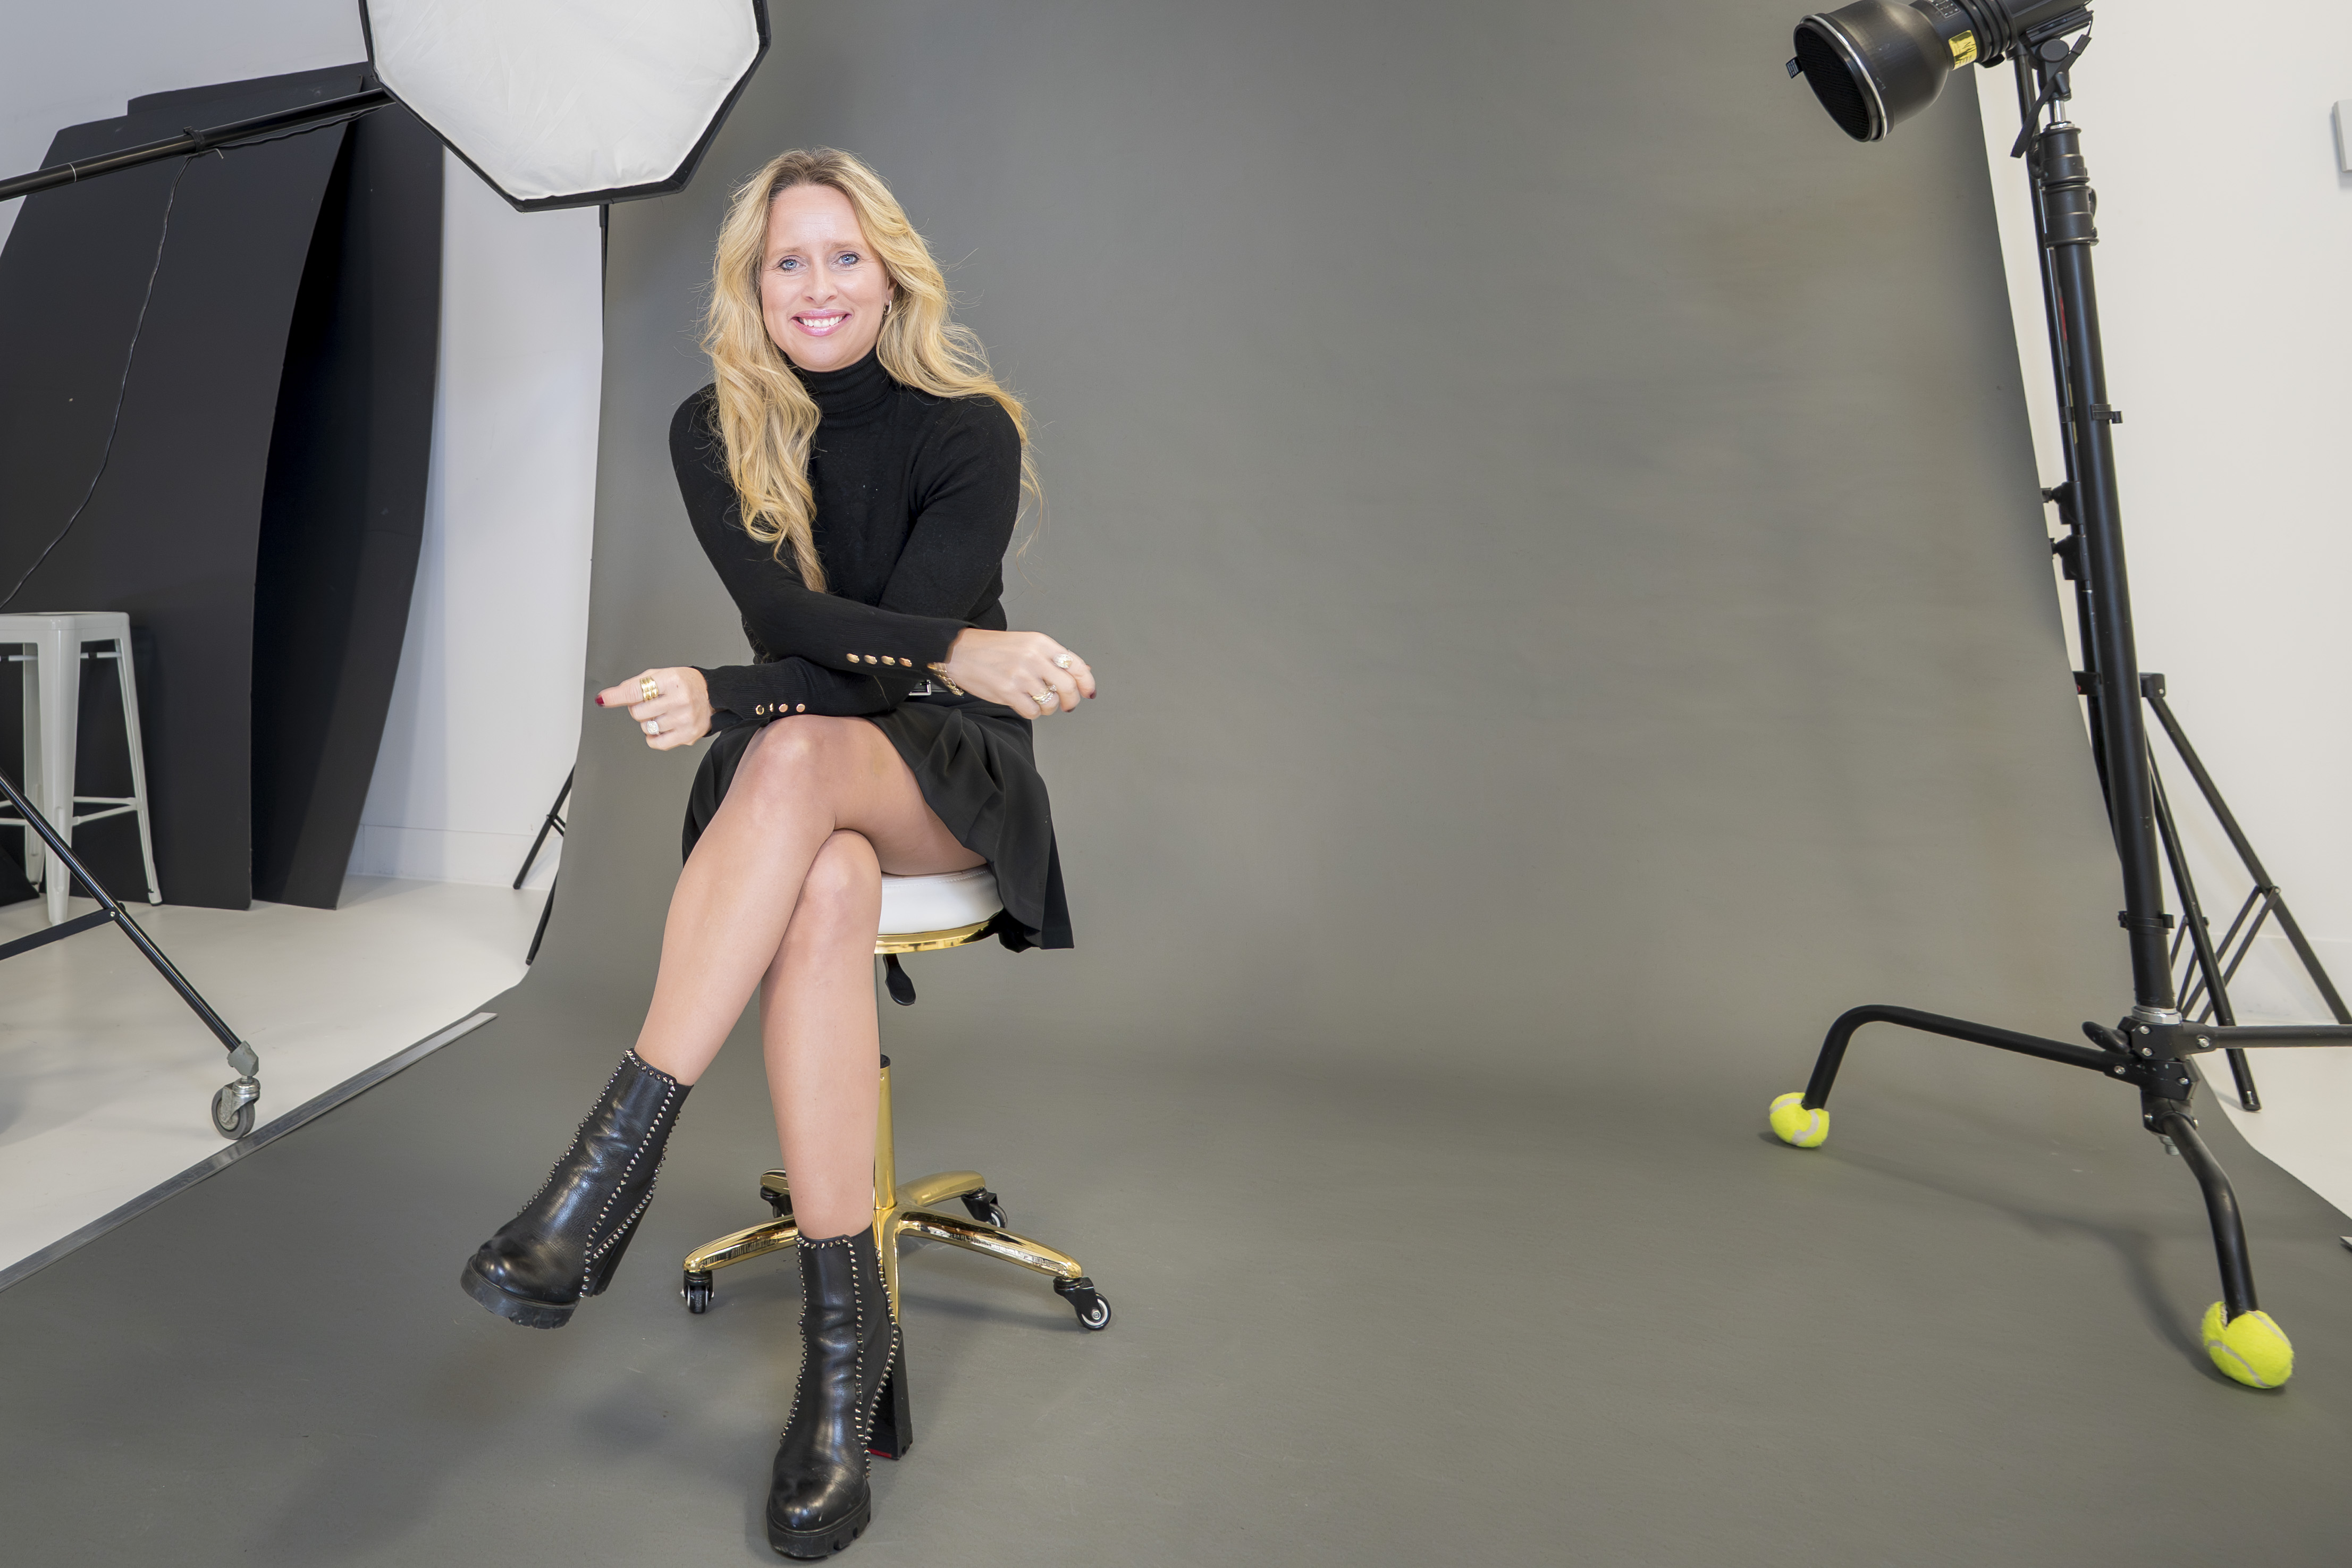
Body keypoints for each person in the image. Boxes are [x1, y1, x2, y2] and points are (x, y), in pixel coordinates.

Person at [458, 147, 1092, 1559]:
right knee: (822, 880)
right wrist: (914, 651)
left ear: (892, 276)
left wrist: (732, 693)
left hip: (942, 763)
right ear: (752, 287)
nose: (817, 285)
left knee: (797, 756)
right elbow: (799, 630)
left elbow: (876, 674)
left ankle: (596, 1187)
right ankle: (840, 1372)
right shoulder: (716, 428)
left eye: (843, 257)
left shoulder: (968, 430)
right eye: (787, 261)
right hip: (797, 769)